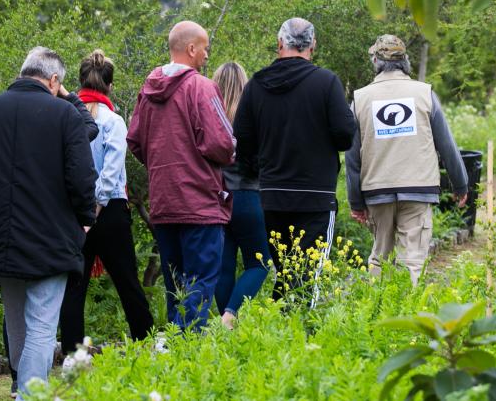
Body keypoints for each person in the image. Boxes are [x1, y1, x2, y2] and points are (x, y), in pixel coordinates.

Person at [0, 47, 97, 399]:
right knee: (42, 326)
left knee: (16, 322)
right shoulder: (65, 115)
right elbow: (81, 177)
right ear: (54, 81)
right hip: (53, 235)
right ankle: (30, 396)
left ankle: (23, 388)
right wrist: (84, 218)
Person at [233, 18, 355, 302]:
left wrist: (262, 170)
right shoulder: (326, 83)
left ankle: (280, 335)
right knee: (306, 278)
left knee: (286, 272)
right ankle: (302, 337)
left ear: (279, 44)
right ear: (313, 45)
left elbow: (242, 141)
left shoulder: (255, 85)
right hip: (316, 195)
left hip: (272, 194)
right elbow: (345, 135)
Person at [126, 20, 235, 330]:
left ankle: (175, 348)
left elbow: (134, 140)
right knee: (201, 279)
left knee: (176, 281)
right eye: (204, 49)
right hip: (199, 201)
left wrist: (162, 165)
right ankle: (188, 348)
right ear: (191, 48)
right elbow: (222, 142)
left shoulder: (147, 91)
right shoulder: (201, 87)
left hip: (164, 202)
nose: (206, 55)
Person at [346, 35, 469, 283]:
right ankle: (408, 315)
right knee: (412, 260)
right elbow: (447, 145)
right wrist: (461, 184)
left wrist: (356, 201)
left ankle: (379, 315)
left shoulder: (360, 99)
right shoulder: (424, 93)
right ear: (406, 62)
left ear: (375, 61)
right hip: (418, 189)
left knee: (379, 258)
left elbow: (352, 156)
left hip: (376, 191)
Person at [58, 50, 154, 353]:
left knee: (75, 285)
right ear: (109, 86)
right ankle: (145, 340)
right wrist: (98, 204)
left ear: (80, 82)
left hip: (73, 212)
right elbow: (113, 168)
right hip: (110, 210)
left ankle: (73, 351)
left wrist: (84, 207)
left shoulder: (65, 117)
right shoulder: (113, 121)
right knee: (127, 280)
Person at [212, 61, 269, 329]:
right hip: (248, 196)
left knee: (223, 268)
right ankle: (230, 316)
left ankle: (226, 323)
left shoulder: (210, 116)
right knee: (258, 263)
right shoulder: (255, 117)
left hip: (217, 197)